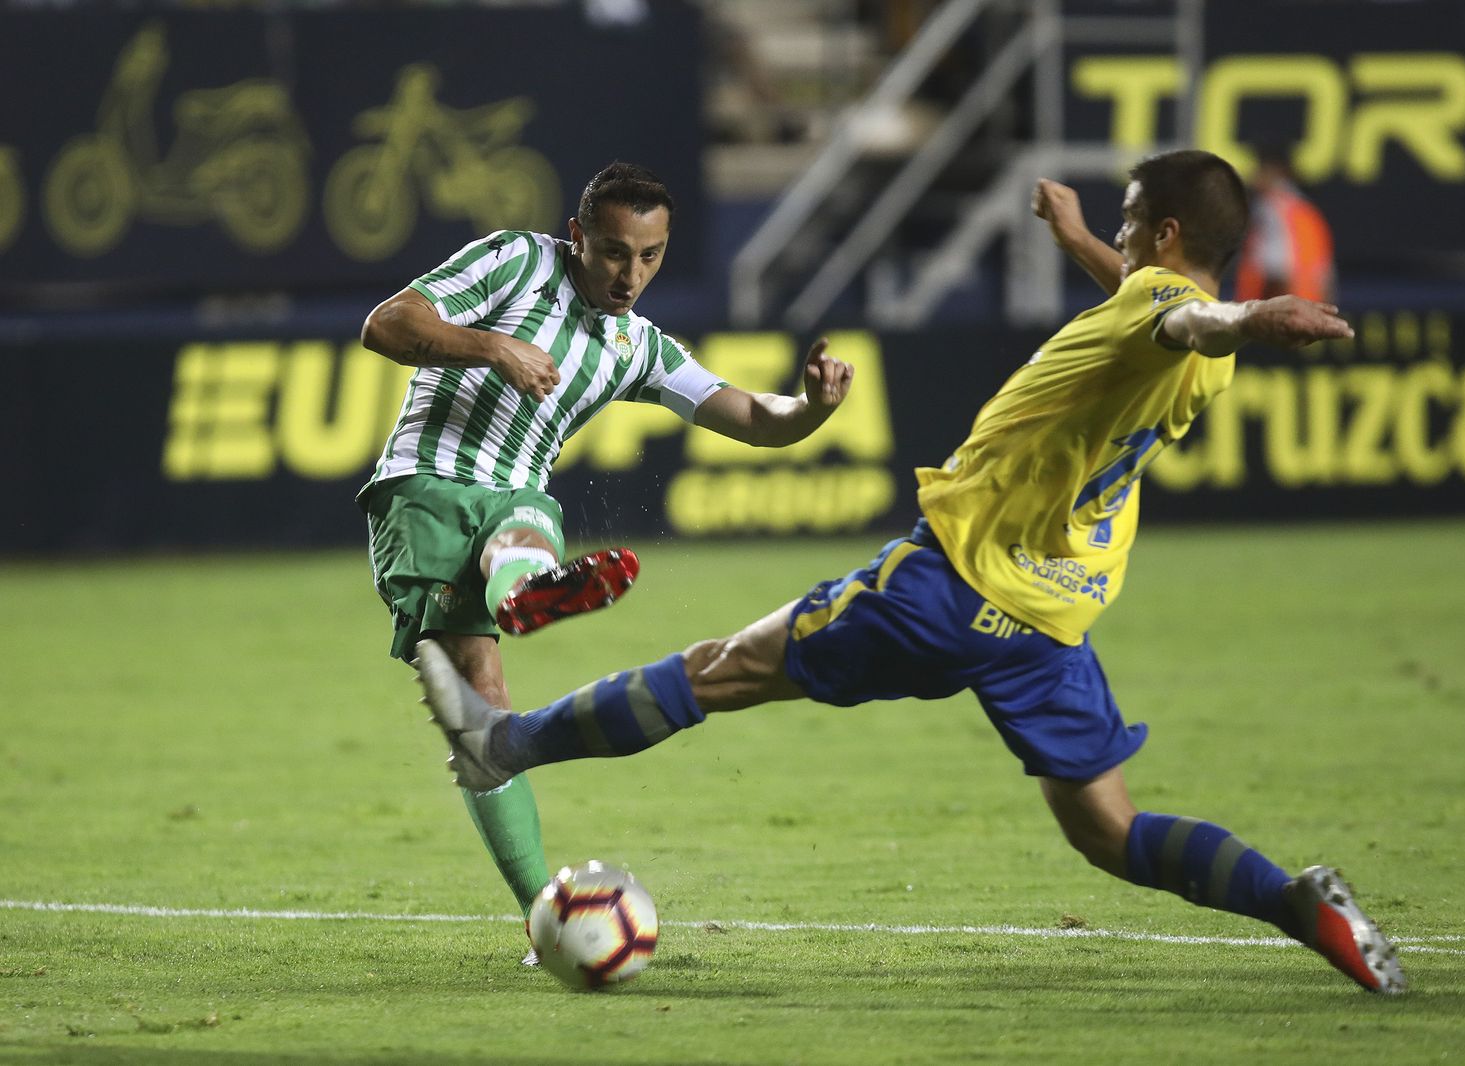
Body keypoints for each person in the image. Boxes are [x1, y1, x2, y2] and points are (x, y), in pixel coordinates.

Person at [412, 149, 1407, 994]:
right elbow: (1172, 309)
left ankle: (506, 744)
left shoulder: (1183, 319)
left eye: (1129, 218)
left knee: (722, 668)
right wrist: (1088, 247)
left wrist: (1255, 314)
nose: (1119, 231)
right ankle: (1294, 902)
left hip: (951, 582)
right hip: (1051, 613)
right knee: (1110, 828)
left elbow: (1189, 317)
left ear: (1165, 232)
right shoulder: (1171, 317)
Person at [358, 161, 855, 962]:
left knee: (529, 519)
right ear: (578, 235)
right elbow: (386, 325)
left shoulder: (637, 344)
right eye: (617, 252)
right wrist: (494, 348)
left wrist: (810, 410)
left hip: (516, 500)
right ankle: (543, 915)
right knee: (477, 718)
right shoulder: (516, 261)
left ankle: (526, 590)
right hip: (424, 490)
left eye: (652, 257)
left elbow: (749, 416)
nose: (632, 276)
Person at [1233, 143, 1337, 303]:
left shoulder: (1271, 208)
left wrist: (1264, 314)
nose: (1254, 175)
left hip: (1282, 310)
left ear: (1275, 171)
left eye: (1260, 168)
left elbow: (1277, 271)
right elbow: (1325, 276)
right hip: (1308, 307)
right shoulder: (1306, 211)